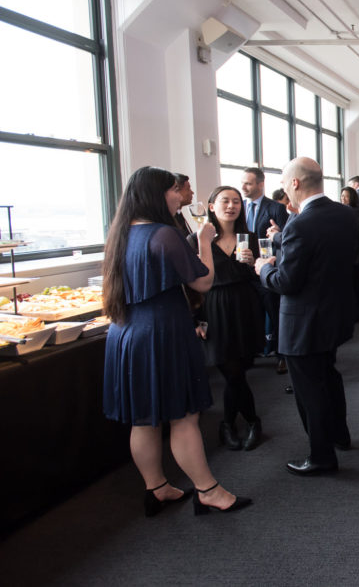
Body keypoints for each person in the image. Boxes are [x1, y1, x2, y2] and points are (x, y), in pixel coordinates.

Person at [101, 166, 251, 516]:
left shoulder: (121, 233)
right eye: (173, 190)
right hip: (161, 333)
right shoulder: (164, 234)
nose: (179, 197)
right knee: (184, 417)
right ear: (157, 195)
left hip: (126, 333)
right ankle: (208, 490)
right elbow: (203, 281)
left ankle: (156, 487)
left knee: (144, 419)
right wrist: (204, 241)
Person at [256, 157, 359, 476]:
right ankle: (340, 435)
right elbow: (323, 253)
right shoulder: (346, 214)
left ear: (295, 183)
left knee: (309, 391)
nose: (284, 188)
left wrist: (263, 269)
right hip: (335, 314)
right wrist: (282, 238)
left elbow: (286, 282)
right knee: (329, 376)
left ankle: (321, 456)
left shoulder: (300, 225)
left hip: (303, 323)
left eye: (284, 182)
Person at [188, 186, 265, 451]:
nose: (231, 206)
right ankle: (252, 421)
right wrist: (196, 320)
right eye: (225, 201)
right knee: (232, 371)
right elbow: (190, 285)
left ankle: (229, 424)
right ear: (211, 206)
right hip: (213, 308)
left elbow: (258, 276)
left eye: (236, 202)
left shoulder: (249, 237)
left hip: (245, 306)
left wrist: (254, 263)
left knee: (241, 368)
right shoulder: (197, 239)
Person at [241, 167, 290, 371]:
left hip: (267, 270)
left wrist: (277, 234)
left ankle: (282, 354)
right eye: (242, 183)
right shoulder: (240, 208)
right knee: (250, 314)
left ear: (260, 184)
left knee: (275, 311)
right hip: (245, 269)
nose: (243, 187)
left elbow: (287, 240)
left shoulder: (276, 208)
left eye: (248, 183)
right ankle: (253, 350)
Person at [341, 187, 359, 318]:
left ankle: (355, 311)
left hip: (355, 252)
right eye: (342, 195)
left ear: (352, 198)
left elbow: (353, 233)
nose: (343, 198)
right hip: (356, 251)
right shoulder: (354, 211)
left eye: (346, 196)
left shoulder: (352, 212)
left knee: (355, 283)